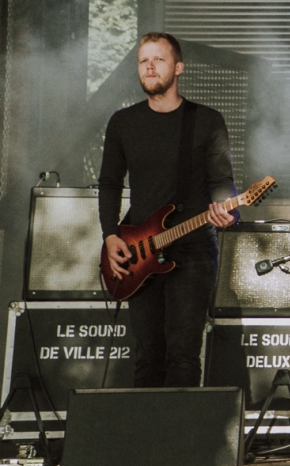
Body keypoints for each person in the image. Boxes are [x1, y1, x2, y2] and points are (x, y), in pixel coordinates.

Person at [99, 32, 237, 388]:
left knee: (184, 355)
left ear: (178, 68)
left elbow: (222, 181)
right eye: (143, 61)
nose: (149, 66)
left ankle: (181, 425)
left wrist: (229, 211)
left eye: (158, 59)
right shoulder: (123, 122)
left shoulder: (206, 120)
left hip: (192, 250)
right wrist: (110, 235)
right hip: (138, 250)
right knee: (147, 355)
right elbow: (110, 183)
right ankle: (148, 425)